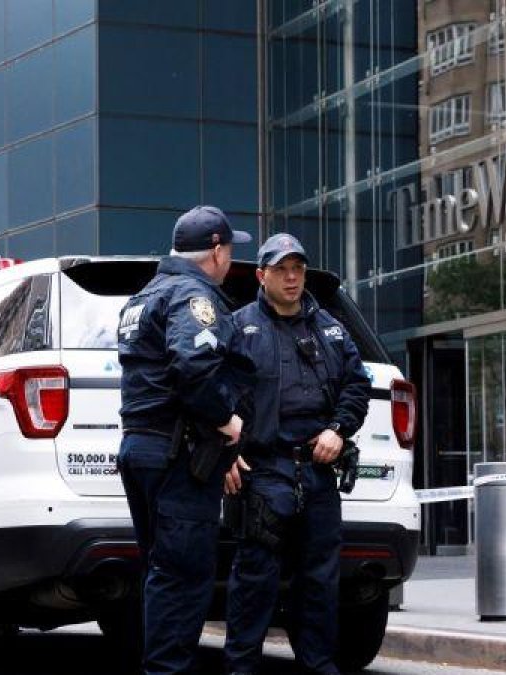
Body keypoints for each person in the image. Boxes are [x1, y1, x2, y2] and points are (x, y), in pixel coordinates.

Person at [222, 233, 371, 675]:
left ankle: (318, 665)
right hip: (264, 469)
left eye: (298, 268)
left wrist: (338, 430)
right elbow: (216, 394)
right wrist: (226, 453)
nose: (292, 277)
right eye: (282, 269)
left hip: (319, 470)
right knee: (255, 579)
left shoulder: (330, 327)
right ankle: (241, 668)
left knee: (321, 579)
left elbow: (356, 386)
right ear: (261, 275)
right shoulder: (239, 327)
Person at [116, 205, 252, 674]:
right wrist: (226, 418)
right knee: (183, 578)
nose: (231, 260)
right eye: (231, 250)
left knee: (162, 573)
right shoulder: (193, 294)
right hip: (177, 457)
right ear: (216, 251)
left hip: (141, 450)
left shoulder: (144, 295)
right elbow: (193, 365)